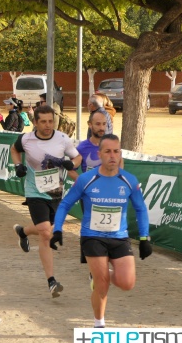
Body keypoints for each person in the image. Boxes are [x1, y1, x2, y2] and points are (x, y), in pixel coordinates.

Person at [51, 134, 152, 328]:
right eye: (107, 151)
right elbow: (65, 204)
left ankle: (99, 275)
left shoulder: (129, 180)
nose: (112, 156)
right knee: (102, 282)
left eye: (116, 151)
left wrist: (144, 237)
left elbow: (140, 208)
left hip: (119, 237)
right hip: (92, 236)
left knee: (127, 283)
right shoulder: (86, 179)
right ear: (100, 154)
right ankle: (99, 324)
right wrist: (57, 229)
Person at [10, 105, 82, 298]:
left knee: (46, 229)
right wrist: (18, 165)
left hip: (56, 193)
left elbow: (77, 157)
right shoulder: (26, 139)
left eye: (51, 121)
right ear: (35, 123)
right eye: (43, 121)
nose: (48, 125)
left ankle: (23, 231)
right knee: (45, 233)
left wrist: (71, 164)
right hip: (35, 191)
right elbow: (14, 149)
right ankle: (51, 281)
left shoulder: (62, 139)